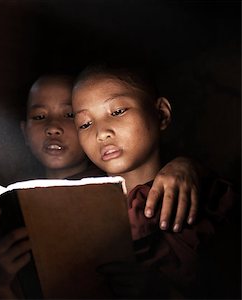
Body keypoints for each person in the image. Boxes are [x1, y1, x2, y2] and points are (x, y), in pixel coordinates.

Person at [0, 74, 203, 298]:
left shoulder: (125, 195)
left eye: (70, 116)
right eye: (39, 116)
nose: (53, 127)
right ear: (23, 130)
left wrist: (185, 164)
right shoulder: (11, 206)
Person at [69, 63, 239, 298]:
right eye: (85, 124)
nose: (101, 133)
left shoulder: (207, 196)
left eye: (117, 111)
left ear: (161, 113)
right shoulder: (72, 201)